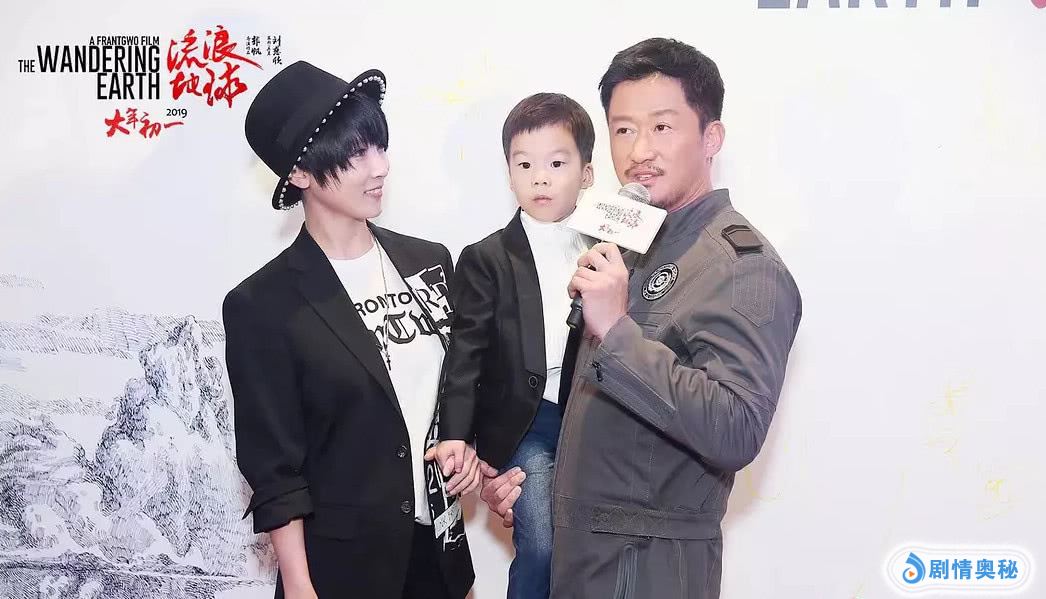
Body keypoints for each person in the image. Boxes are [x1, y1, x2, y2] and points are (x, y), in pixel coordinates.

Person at [549, 38, 803, 599]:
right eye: (623, 129)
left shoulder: (743, 266)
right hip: (584, 557)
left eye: (662, 127)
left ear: (711, 138)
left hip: (650, 569)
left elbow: (737, 427)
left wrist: (617, 332)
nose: (640, 150)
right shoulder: (633, 243)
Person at [224, 60, 479, 599]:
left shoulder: (429, 262)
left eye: (380, 146)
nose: (380, 166)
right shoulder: (262, 305)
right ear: (300, 172)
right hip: (340, 572)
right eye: (356, 154)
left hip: (439, 559)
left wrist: (467, 448)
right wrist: (299, 584)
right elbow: (275, 469)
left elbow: (454, 385)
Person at [428, 92, 595, 599]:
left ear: (587, 173)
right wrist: (457, 434)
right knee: (541, 543)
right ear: (508, 173)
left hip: (595, 417)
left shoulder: (609, 248)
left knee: (593, 548)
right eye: (525, 165)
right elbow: (465, 354)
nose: (540, 178)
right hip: (528, 421)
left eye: (557, 164)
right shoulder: (486, 257)